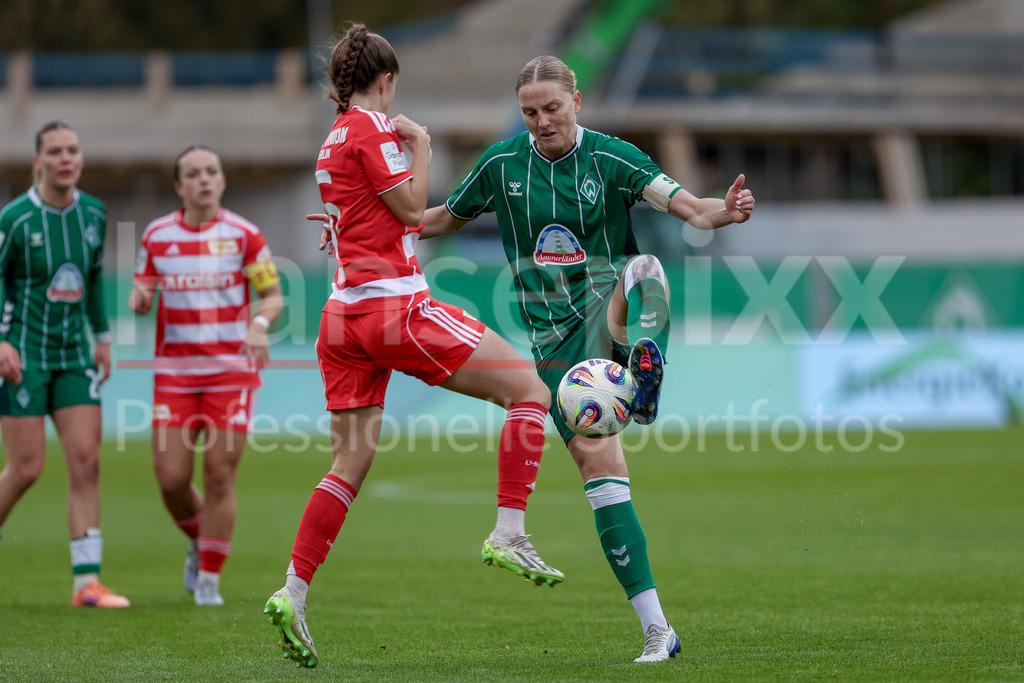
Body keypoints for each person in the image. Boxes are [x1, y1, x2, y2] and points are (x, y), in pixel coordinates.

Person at [420, 55, 755, 663]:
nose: (541, 121)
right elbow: (442, 219)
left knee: (646, 268)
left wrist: (723, 211)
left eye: (551, 108)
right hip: (555, 351)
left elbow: (689, 208)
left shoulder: (612, 157)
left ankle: (646, 367)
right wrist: (365, 229)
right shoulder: (501, 164)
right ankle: (659, 629)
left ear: (577, 101)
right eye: (529, 112)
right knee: (604, 482)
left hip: (610, 306)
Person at [263, 24, 559, 669]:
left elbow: (370, 217)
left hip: (341, 318)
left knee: (348, 464)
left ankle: (293, 590)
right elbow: (410, 206)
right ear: (387, 79)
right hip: (393, 309)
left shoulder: (332, 138)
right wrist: (421, 146)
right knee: (530, 390)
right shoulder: (373, 128)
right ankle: (510, 531)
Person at [127, 145, 284, 606]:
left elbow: (271, 297)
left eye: (211, 171)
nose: (203, 179)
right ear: (179, 186)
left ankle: (209, 579)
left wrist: (258, 326)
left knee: (219, 476)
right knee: (171, 479)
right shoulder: (156, 236)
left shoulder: (245, 236)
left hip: (230, 375)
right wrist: (139, 300)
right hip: (174, 376)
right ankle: (203, 540)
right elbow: (143, 289)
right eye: (193, 174)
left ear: (222, 180)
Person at [0, 120, 130, 608]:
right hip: (23, 356)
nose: (65, 158)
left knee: (87, 461)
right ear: (38, 160)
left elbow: (93, 277)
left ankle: (86, 584)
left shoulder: (94, 213)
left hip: (75, 355)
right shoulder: (14, 219)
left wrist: (102, 337)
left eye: (72, 149)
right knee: (27, 467)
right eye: (54, 151)